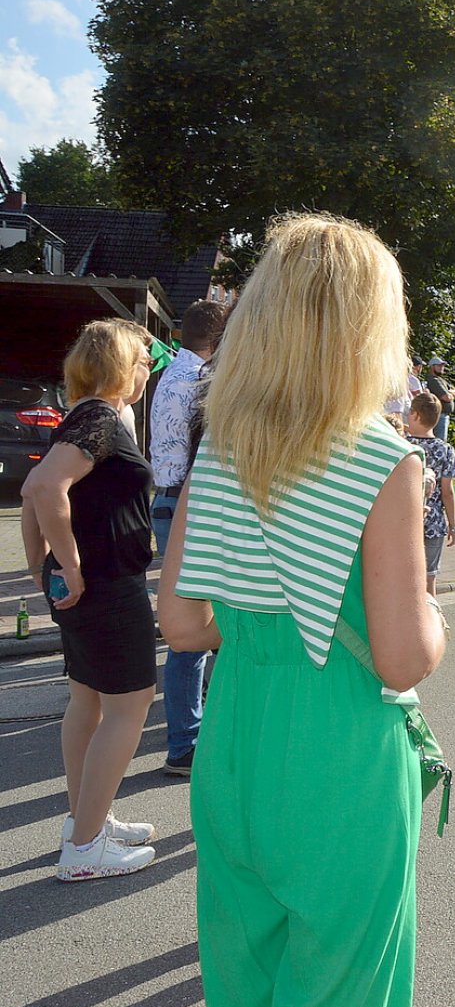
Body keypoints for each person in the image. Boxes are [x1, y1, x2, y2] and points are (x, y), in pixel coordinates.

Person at [157, 212, 446, 1007]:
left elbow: (181, 624)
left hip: (235, 744)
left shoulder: (222, 449)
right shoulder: (385, 461)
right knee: (343, 994)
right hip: (341, 756)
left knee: (245, 980)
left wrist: (264, 624)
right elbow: (400, 658)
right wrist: (433, 615)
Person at [21, 318, 160, 880]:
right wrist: (69, 565)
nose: (148, 373)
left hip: (86, 584)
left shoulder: (79, 416)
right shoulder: (101, 418)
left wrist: (42, 565)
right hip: (104, 584)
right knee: (131, 704)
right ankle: (83, 848)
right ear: (123, 367)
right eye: (144, 362)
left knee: (89, 702)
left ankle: (87, 820)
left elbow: (39, 494)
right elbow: (42, 489)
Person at [149, 298, 231, 776]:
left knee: (188, 628)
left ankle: (188, 732)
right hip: (191, 504)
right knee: (194, 634)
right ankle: (186, 742)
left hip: (166, 498)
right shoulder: (203, 384)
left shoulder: (169, 376)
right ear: (218, 342)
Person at [406, 392, 455, 595]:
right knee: (429, 579)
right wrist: (453, 525)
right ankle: (434, 621)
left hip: (406, 519)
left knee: (405, 577)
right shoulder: (445, 450)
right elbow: (448, 492)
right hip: (434, 521)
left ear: (415, 415)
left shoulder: (403, 445)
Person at [424, 357, 455, 440]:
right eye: (439, 366)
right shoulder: (433, 381)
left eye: (442, 366)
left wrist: (450, 394)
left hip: (443, 416)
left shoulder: (441, 380)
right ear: (432, 367)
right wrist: (450, 394)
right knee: (440, 440)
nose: (442, 368)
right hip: (439, 416)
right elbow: (446, 398)